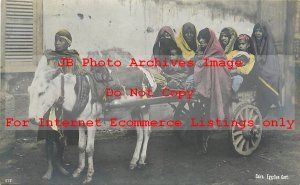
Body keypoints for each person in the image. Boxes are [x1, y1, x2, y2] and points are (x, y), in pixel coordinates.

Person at [37, 29, 85, 180]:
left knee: (62, 137)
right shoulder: (48, 56)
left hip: (66, 104)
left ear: (68, 43)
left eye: (61, 40)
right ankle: (50, 167)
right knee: (50, 136)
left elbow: (80, 78)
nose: (57, 43)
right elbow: (40, 77)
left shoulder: (74, 58)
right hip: (50, 104)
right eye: (56, 39)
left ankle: (59, 163)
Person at [193, 28, 232, 154]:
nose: (202, 41)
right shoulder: (202, 51)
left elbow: (220, 64)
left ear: (210, 40)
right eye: (200, 38)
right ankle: (201, 142)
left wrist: (202, 63)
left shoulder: (218, 51)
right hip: (205, 86)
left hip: (218, 85)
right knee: (198, 114)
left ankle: (204, 141)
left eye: (204, 38)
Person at [251, 22, 282, 118]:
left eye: (260, 31)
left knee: (267, 93)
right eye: (256, 31)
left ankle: (270, 104)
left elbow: (270, 62)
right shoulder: (253, 42)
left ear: (264, 33)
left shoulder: (269, 44)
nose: (258, 33)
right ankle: (259, 113)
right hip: (259, 71)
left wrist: (259, 66)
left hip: (269, 73)